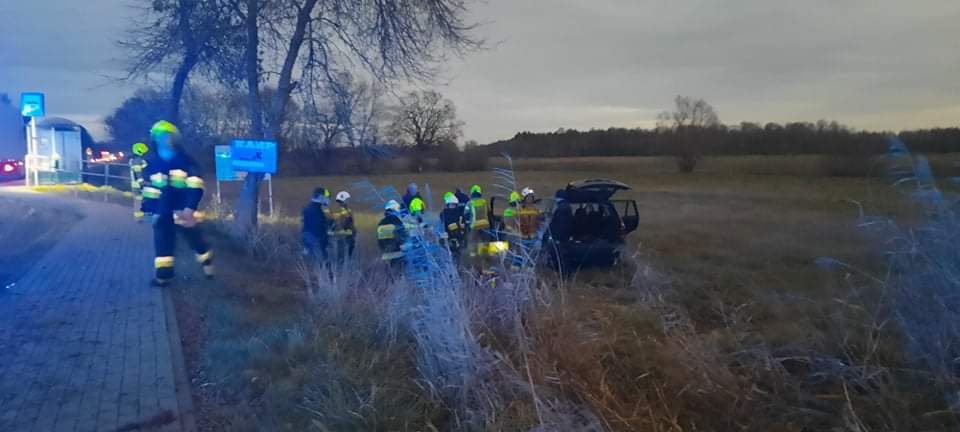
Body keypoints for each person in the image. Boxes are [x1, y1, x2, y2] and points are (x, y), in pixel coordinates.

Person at [140, 120, 213, 287]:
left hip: (183, 211)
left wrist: (189, 208)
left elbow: (195, 186)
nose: (163, 138)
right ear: (154, 138)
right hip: (162, 212)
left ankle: (208, 264)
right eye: (159, 135)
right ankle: (164, 277)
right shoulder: (151, 163)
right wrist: (150, 211)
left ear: (174, 138)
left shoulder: (186, 161)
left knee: (195, 241)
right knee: (162, 246)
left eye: (167, 135)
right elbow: (149, 190)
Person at [513, 187, 543, 270]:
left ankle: (529, 269)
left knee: (531, 255)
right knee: (519, 255)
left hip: (533, 237)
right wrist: (516, 234)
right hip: (522, 237)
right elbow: (516, 223)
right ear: (525, 198)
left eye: (531, 197)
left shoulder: (537, 210)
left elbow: (539, 222)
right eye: (528, 197)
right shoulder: (519, 210)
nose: (530, 199)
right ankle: (516, 269)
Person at [302, 187, 331, 263]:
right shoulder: (317, 211)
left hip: (308, 239)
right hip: (315, 241)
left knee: (309, 262)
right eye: (326, 197)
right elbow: (319, 228)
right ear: (321, 197)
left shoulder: (308, 208)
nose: (328, 199)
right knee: (320, 263)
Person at [377, 200, 406, 268]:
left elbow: (380, 241)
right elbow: (402, 237)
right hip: (398, 254)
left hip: (386, 254)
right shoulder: (396, 221)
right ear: (394, 209)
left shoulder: (382, 223)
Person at [440, 192, 466, 263]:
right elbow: (443, 226)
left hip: (459, 238)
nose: (453, 206)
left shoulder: (459, 213)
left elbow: (463, 225)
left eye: (454, 205)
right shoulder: (444, 214)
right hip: (450, 239)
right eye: (451, 205)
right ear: (448, 205)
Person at [466, 184, 490, 258]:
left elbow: (466, 214)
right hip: (485, 225)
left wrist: (467, 225)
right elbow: (489, 212)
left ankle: (473, 257)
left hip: (474, 225)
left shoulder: (469, 203)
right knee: (484, 241)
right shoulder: (484, 202)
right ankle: (485, 255)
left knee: (472, 241)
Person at [331, 191, 356, 262]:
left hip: (347, 235)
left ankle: (344, 265)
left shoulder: (345, 208)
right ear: (343, 199)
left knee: (345, 253)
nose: (349, 201)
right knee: (341, 254)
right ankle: (341, 267)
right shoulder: (339, 209)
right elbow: (340, 222)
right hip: (342, 236)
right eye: (347, 199)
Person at [129, 142, 150, 222]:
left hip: (135, 184)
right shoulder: (138, 161)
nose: (145, 153)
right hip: (139, 184)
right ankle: (139, 217)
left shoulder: (133, 160)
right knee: (140, 200)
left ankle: (138, 217)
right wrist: (142, 183)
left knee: (138, 201)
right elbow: (138, 173)